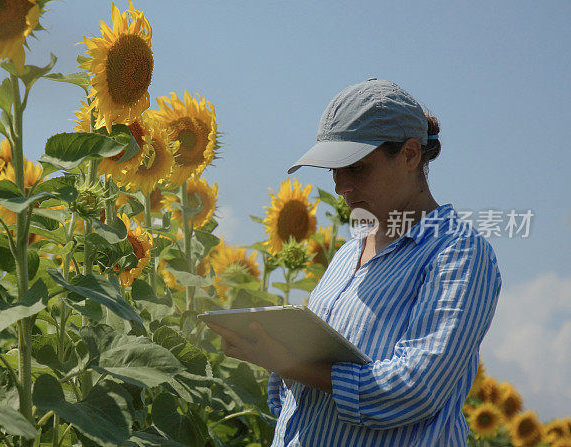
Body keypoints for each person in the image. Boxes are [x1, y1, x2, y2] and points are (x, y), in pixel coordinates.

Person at [206, 79, 502, 446]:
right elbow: (299, 400)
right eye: (334, 170)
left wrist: (291, 365)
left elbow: (417, 388)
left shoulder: (458, 252)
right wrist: (273, 353)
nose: (341, 186)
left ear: (410, 155)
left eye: (357, 168)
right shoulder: (348, 254)